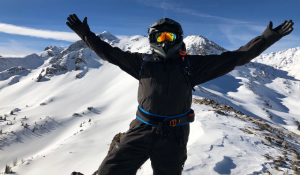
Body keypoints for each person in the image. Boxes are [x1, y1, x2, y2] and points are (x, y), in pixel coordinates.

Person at [66, 15, 294, 175]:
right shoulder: (141, 63)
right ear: (152, 40)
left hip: (174, 134)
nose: (165, 42)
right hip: (141, 128)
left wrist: (267, 38)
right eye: (160, 37)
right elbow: (108, 52)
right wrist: (84, 34)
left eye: (170, 37)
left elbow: (236, 57)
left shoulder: (191, 65)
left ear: (179, 39)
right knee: (111, 170)